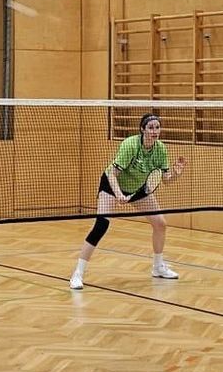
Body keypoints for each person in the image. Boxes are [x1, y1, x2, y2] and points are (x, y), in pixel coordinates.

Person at [70, 112, 187, 290]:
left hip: (139, 188)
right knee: (101, 225)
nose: (154, 131)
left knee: (160, 223)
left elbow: (165, 179)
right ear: (142, 129)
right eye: (150, 128)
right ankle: (77, 273)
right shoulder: (130, 145)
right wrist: (118, 194)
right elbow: (112, 174)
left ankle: (158, 267)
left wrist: (176, 175)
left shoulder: (160, 149)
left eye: (157, 127)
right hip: (111, 185)